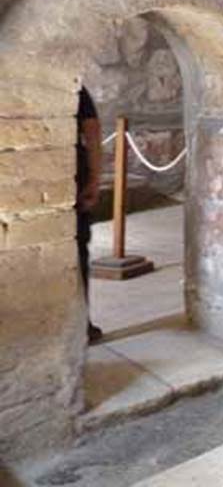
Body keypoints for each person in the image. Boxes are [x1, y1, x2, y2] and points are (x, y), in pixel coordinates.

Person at [76, 86, 104, 344]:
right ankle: (80, 325)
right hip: (73, 174)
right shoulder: (73, 85)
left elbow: (92, 130)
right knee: (77, 253)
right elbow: (92, 132)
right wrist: (95, 178)